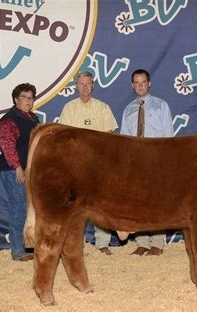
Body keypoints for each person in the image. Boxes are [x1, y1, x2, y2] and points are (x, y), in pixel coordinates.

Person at [59, 71, 118, 255]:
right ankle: (77, 243)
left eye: (88, 84)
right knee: (76, 206)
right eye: (81, 84)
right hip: (75, 165)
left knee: (101, 205)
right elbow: (65, 137)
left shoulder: (103, 108)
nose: (85, 87)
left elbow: (109, 137)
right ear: (76, 86)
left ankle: (102, 243)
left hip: (98, 165)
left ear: (93, 86)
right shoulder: (69, 108)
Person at [120, 69, 174, 256]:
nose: (140, 85)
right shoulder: (128, 109)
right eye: (136, 82)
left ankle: (157, 243)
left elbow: (168, 135)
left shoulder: (161, 106)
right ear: (132, 85)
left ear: (149, 84)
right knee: (138, 202)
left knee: (157, 202)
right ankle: (142, 241)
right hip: (135, 161)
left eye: (143, 82)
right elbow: (124, 139)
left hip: (156, 159)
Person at [0, 83, 39, 261]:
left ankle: (29, 246)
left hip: (29, 169)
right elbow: (8, 146)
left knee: (29, 208)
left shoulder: (32, 118)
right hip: (14, 170)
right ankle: (17, 250)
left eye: (31, 97)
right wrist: (17, 168)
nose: (28, 100)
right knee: (18, 208)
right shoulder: (9, 120)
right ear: (16, 99)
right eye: (24, 97)